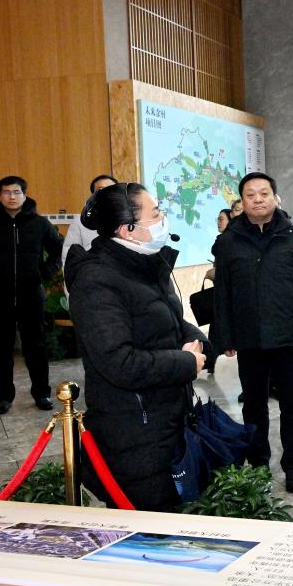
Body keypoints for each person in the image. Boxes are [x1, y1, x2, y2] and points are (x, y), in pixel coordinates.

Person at [65, 182, 208, 512]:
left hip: (166, 419)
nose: (162, 219)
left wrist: (200, 343)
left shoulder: (145, 263)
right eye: (155, 213)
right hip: (134, 433)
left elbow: (165, 321)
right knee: (147, 530)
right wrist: (186, 362)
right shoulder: (96, 280)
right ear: (127, 229)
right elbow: (119, 362)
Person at [213, 172, 293, 493]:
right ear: (242, 201)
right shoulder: (229, 241)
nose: (258, 199)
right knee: (253, 405)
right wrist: (225, 336)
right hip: (249, 338)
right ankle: (259, 464)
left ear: (275, 198)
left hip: (288, 336)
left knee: (292, 405)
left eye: (264, 193)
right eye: (250, 195)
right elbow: (222, 293)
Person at [0, 175, 63, 415]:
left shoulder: (40, 224)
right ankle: (4, 397)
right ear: (0, 196)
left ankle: (42, 393)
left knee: (35, 346)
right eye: (6, 192)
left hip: (31, 295)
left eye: (16, 192)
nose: (12, 197)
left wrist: (44, 273)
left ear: (24, 195)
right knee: (1, 348)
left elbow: (59, 249)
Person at [61, 174, 118, 269]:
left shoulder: (129, 219)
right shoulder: (80, 221)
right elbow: (68, 255)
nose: (107, 192)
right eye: (101, 189)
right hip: (92, 274)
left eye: (111, 189)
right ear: (93, 195)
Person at [203, 207, 233, 375]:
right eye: (218, 219)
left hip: (228, 294)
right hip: (220, 292)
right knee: (215, 327)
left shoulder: (229, 241)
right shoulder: (221, 240)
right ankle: (212, 360)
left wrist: (217, 273)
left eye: (222, 219)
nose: (218, 222)